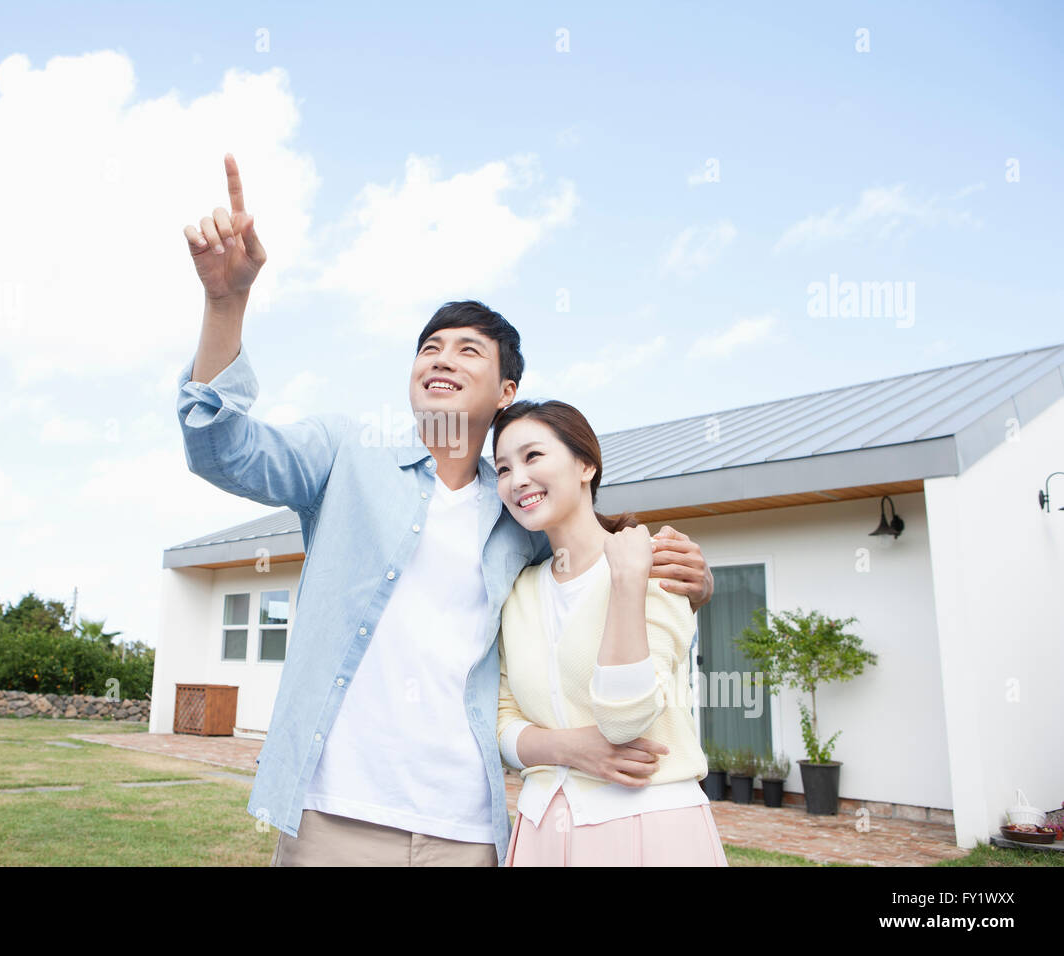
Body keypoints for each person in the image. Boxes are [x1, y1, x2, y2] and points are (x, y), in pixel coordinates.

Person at [177, 153, 715, 866]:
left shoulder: (519, 512)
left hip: (466, 825)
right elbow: (221, 449)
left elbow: (592, 555)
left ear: (505, 390)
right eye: (429, 348)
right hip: (336, 811)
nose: (441, 357)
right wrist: (226, 304)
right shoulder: (345, 454)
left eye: (468, 350)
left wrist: (689, 577)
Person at [493, 399, 727, 866]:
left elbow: (626, 721)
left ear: (585, 464)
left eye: (533, 456)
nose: (517, 479)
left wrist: (626, 580)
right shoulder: (517, 593)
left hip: (648, 828)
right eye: (502, 468)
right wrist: (570, 749)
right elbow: (501, 721)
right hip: (539, 832)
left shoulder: (656, 563)